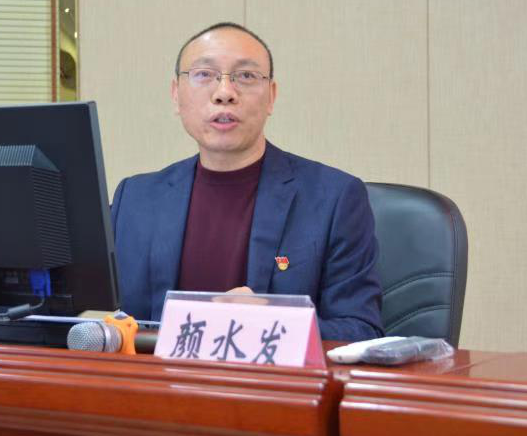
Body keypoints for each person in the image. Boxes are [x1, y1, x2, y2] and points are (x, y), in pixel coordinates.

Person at [111, 22, 383, 341]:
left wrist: (268, 320)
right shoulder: (135, 199)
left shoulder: (334, 199)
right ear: (176, 95)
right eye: (204, 74)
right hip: (157, 374)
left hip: (271, 374)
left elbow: (360, 330)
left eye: (246, 76)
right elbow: (97, 317)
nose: (224, 93)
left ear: (271, 97)